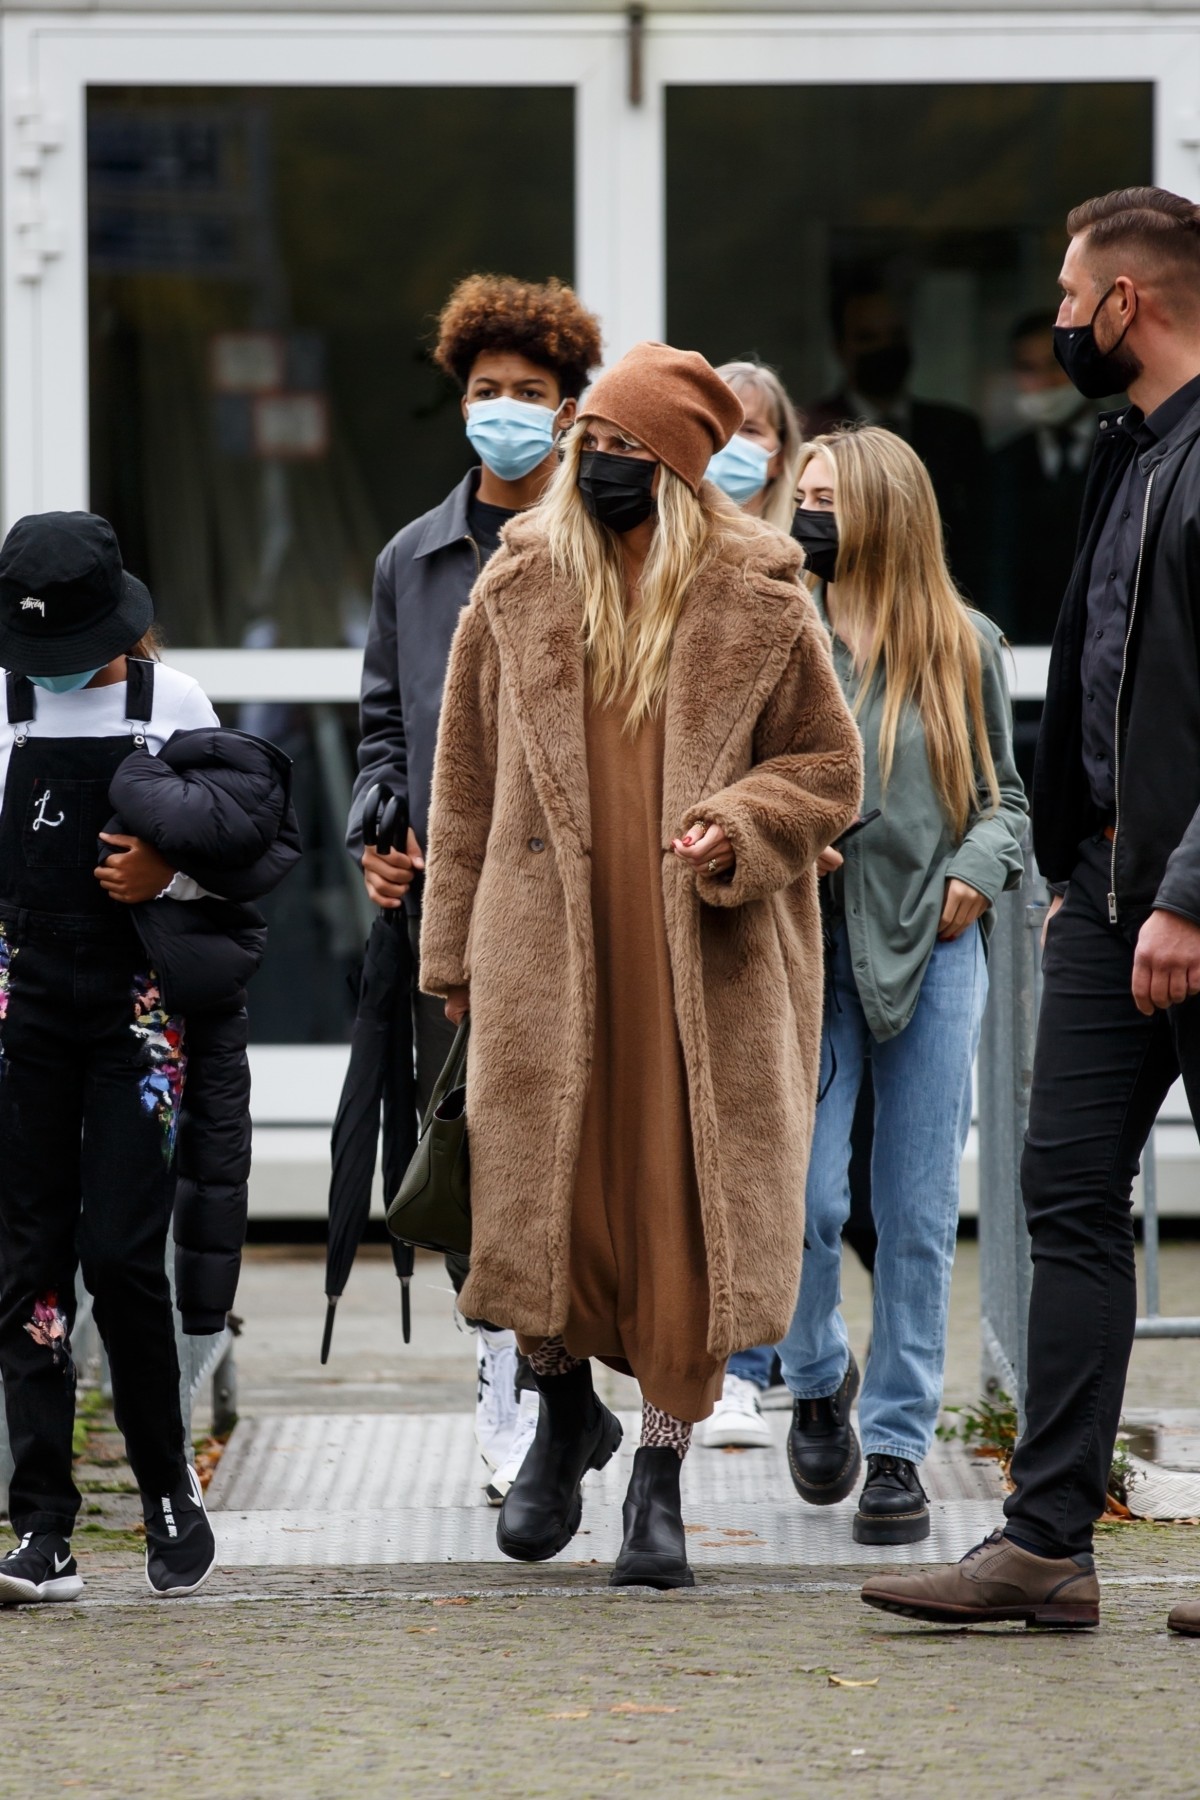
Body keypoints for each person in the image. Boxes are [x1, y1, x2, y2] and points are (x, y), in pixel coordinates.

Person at [419, 341, 863, 1588]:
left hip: (701, 956)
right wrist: (450, 946)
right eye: (591, 446)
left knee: (683, 1209)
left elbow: (831, 772)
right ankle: (565, 1416)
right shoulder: (516, 585)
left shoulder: (762, 593)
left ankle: (658, 1474)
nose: (601, 466)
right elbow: (464, 783)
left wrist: (744, 822)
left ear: (675, 466)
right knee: (544, 1198)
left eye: (628, 452)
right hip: (543, 950)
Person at [861, 185, 1200, 1630]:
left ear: (1127, 302)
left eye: (1072, 294)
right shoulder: (1130, 458)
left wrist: (1186, 896)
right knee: (1063, 1202)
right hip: (1110, 902)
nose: (1060, 319)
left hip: (1188, 905)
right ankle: (1045, 1544)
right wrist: (1079, 877)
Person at [347, 274, 602, 1502]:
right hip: (453, 910)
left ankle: (583, 1387)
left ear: (569, 411)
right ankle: (518, 1388)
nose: (506, 411)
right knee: (469, 1153)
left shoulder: (609, 542)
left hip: (583, 907)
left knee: (581, 1149)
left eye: (531, 395)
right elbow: (382, 731)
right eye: (486, 392)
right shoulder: (413, 557)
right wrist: (377, 830)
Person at [780, 427, 1026, 1546]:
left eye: (827, 497)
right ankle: (817, 1375)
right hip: (804, 957)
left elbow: (1006, 806)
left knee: (918, 1217)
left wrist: (977, 873)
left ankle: (894, 1450)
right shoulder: (784, 635)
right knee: (808, 1201)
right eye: (803, 495)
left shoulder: (961, 643)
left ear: (885, 510)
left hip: (933, 955)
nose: (808, 515)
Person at [0, 512, 230, 1604]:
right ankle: (42, 1523)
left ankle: (164, 1488)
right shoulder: (1, 707)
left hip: (136, 1004)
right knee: (28, 1260)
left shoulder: (170, 705)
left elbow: (239, 846)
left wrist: (164, 876)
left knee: (124, 1256)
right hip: (20, 1002)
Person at [696, 357, 805, 1451]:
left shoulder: (781, 580)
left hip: (773, 907)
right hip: (676, 898)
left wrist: (752, 826)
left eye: (756, 431)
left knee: (783, 1156)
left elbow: (826, 758)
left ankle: (785, 1367)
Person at [806, 273, 987, 599]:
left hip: (947, 605)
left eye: (895, 335)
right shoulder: (812, 430)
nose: (884, 348)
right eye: (867, 337)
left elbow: (982, 540)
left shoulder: (955, 430)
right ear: (840, 347)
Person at [989, 311, 1098, 648]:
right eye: (1028, 369)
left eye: (1055, 364)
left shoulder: (1130, 452)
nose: (1046, 381)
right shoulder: (1000, 468)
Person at [704, 357, 803, 530]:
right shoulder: (650, 544)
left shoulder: (802, 553)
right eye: (716, 425)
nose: (728, 441)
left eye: (750, 430)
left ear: (780, 458)